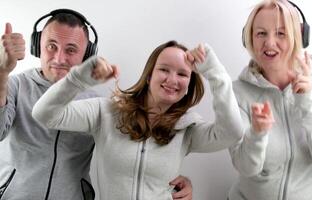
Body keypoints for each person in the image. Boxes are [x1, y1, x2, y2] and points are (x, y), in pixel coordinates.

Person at [0, 10, 193, 200]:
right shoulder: (14, 85)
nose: (59, 59)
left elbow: (133, 152)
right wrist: (2, 72)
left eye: (71, 50)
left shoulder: (96, 104)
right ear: (37, 45)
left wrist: (171, 183)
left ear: (87, 54)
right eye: (51, 46)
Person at [32, 40, 244, 199]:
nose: (172, 80)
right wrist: (77, 78)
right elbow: (44, 114)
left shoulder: (188, 128)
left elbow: (233, 132)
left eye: (182, 74)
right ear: (149, 75)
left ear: (189, 85)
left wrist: (216, 73)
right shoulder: (105, 111)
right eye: (164, 69)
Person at [227, 0, 312, 199]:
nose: (269, 43)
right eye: (261, 33)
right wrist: (257, 133)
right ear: (249, 38)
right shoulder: (237, 92)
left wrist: (307, 103)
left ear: (299, 37)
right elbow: (245, 167)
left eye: (280, 33)